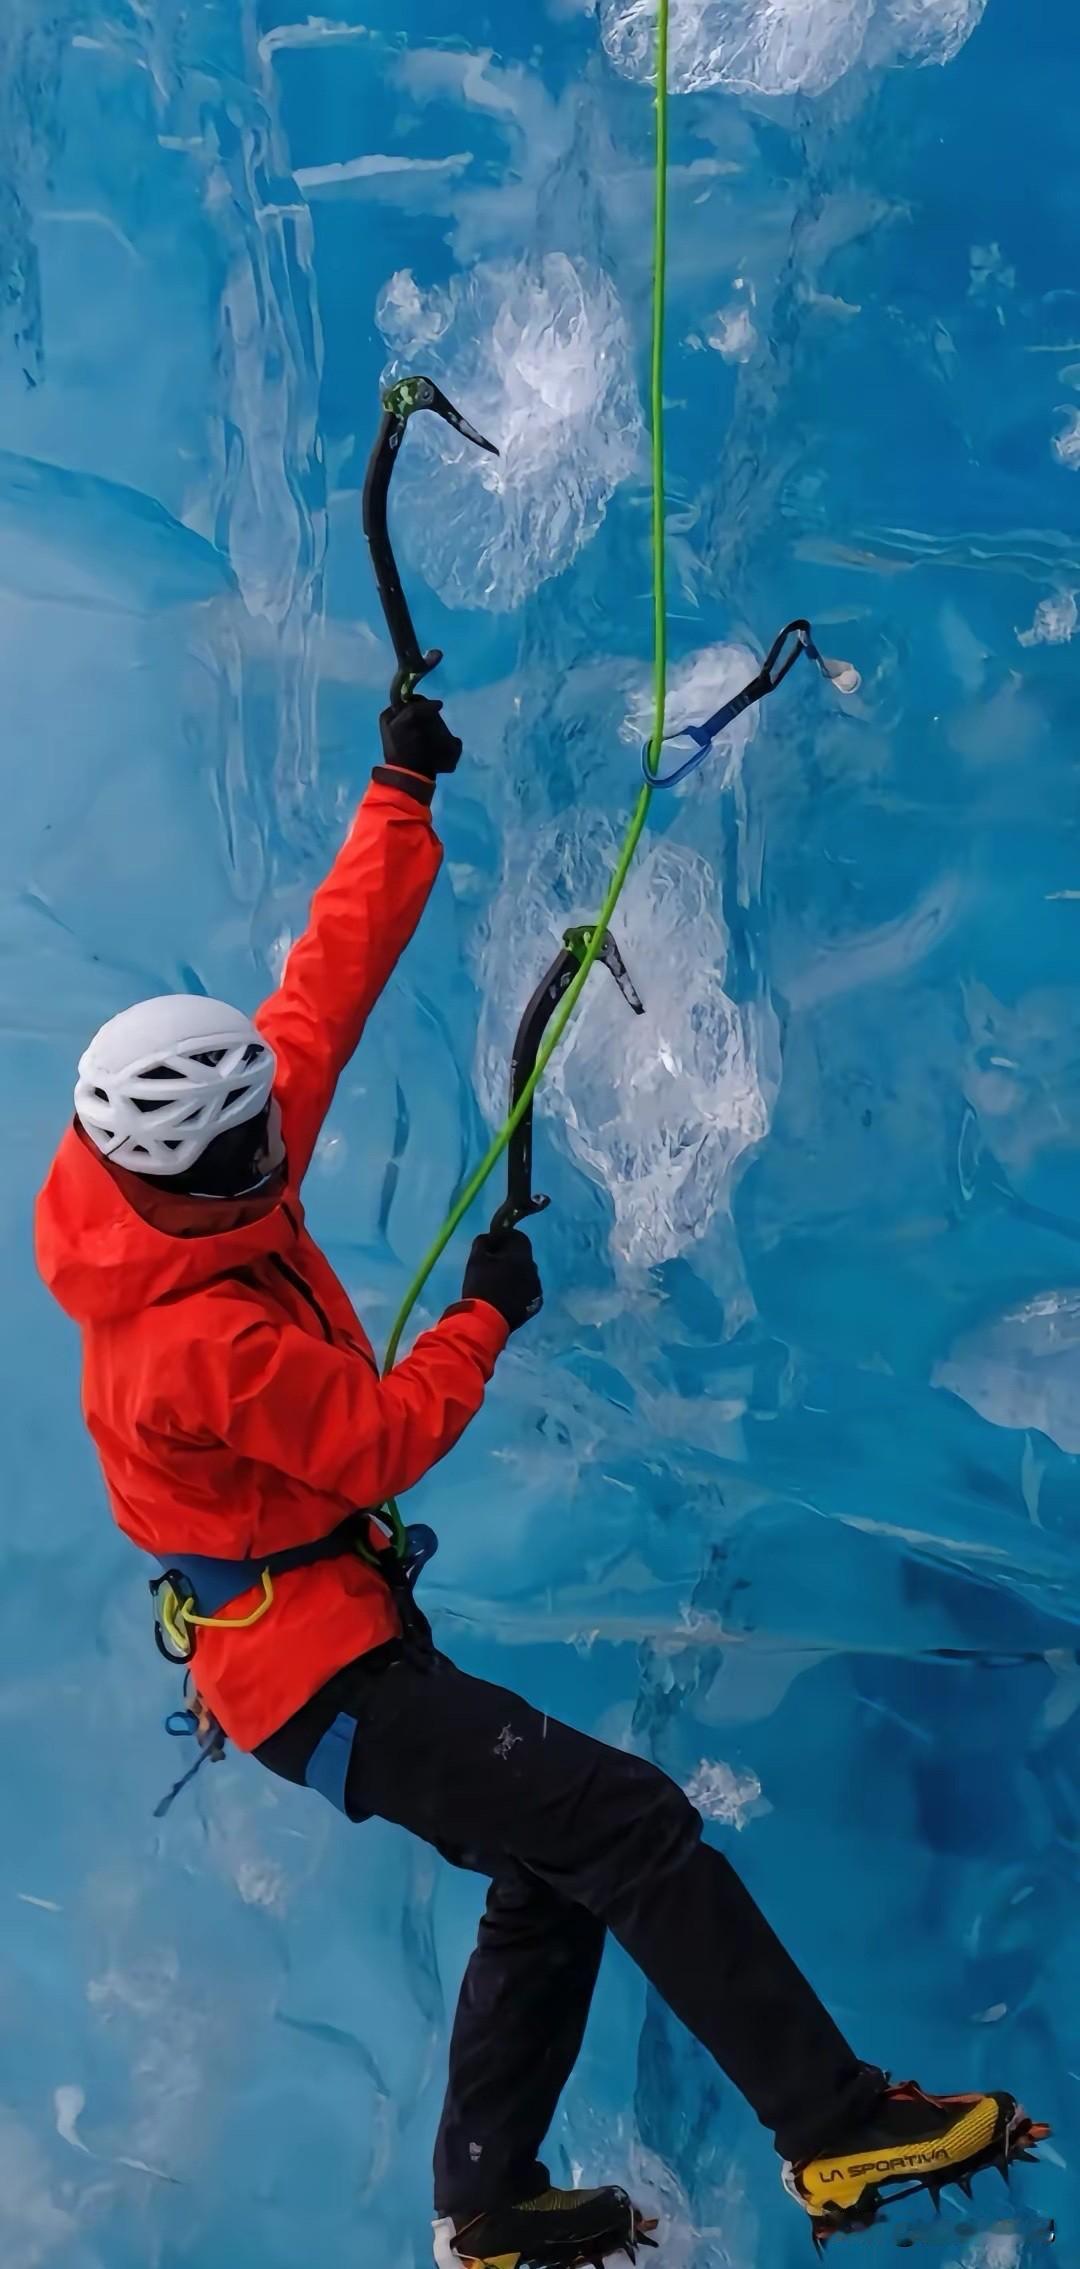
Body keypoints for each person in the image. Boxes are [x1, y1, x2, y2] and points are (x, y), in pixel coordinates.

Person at [35, 699, 1046, 2266]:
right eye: (238, 1168)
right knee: (628, 1821)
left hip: (335, 1631)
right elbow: (372, 1440)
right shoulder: (185, 1344)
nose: (266, 1172)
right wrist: (484, 1315)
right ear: (160, 1180)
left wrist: (398, 792)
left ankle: (488, 2201)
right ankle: (834, 2127)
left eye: (262, 1147)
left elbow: (321, 993)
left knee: (553, 1858)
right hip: (310, 1674)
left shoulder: (209, 1153)